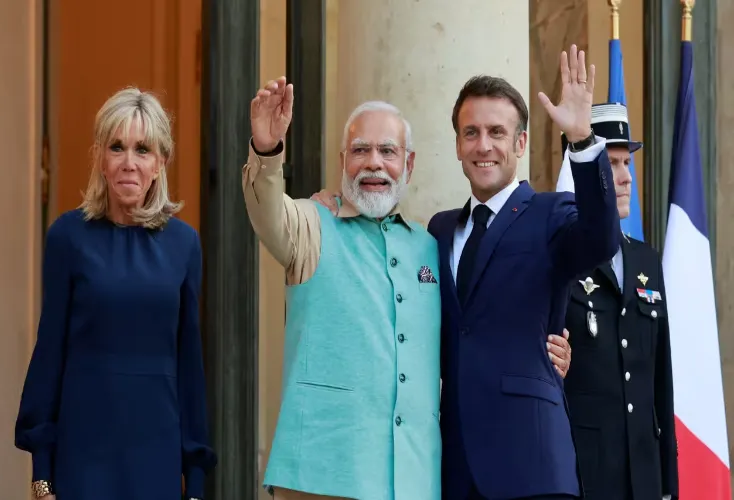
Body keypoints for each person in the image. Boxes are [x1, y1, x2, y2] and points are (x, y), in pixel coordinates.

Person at [246, 78, 572, 500]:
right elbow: (268, 212)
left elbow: (476, 321)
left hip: (413, 479)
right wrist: (267, 153)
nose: (374, 163)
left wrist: (546, 353)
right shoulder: (310, 224)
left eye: (388, 152)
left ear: (410, 164)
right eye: (360, 150)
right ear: (343, 160)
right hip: (322, 473)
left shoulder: (430, 243)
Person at [426, 45, 620, 500]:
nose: (483, 145)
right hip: (454, 467)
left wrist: (582, 142)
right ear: (457, 144)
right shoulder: (437, 230)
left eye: (497, 132)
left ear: (521, 143)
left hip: (531, 462)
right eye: (470, 132)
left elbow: (600, 238)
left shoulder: (551, 214)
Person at [14, 87, 216, 500]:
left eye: (143, 149)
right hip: (83, 456)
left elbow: (190, 363)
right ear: (100, 160)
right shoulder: (67, 237)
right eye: (117, 147)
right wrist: (42, 476)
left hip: (155, 455)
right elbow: (49, 353)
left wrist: (194, 482)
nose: (129, 163)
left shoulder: (184, 244)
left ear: (160, 163)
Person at [558, 103, 678, 500]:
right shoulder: (558, 256)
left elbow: (661, 382)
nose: (626, 178)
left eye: (627, 163)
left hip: (643, 478)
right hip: (583, 477)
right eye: (612, 164)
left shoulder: (647, 259)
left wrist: (667, 486)